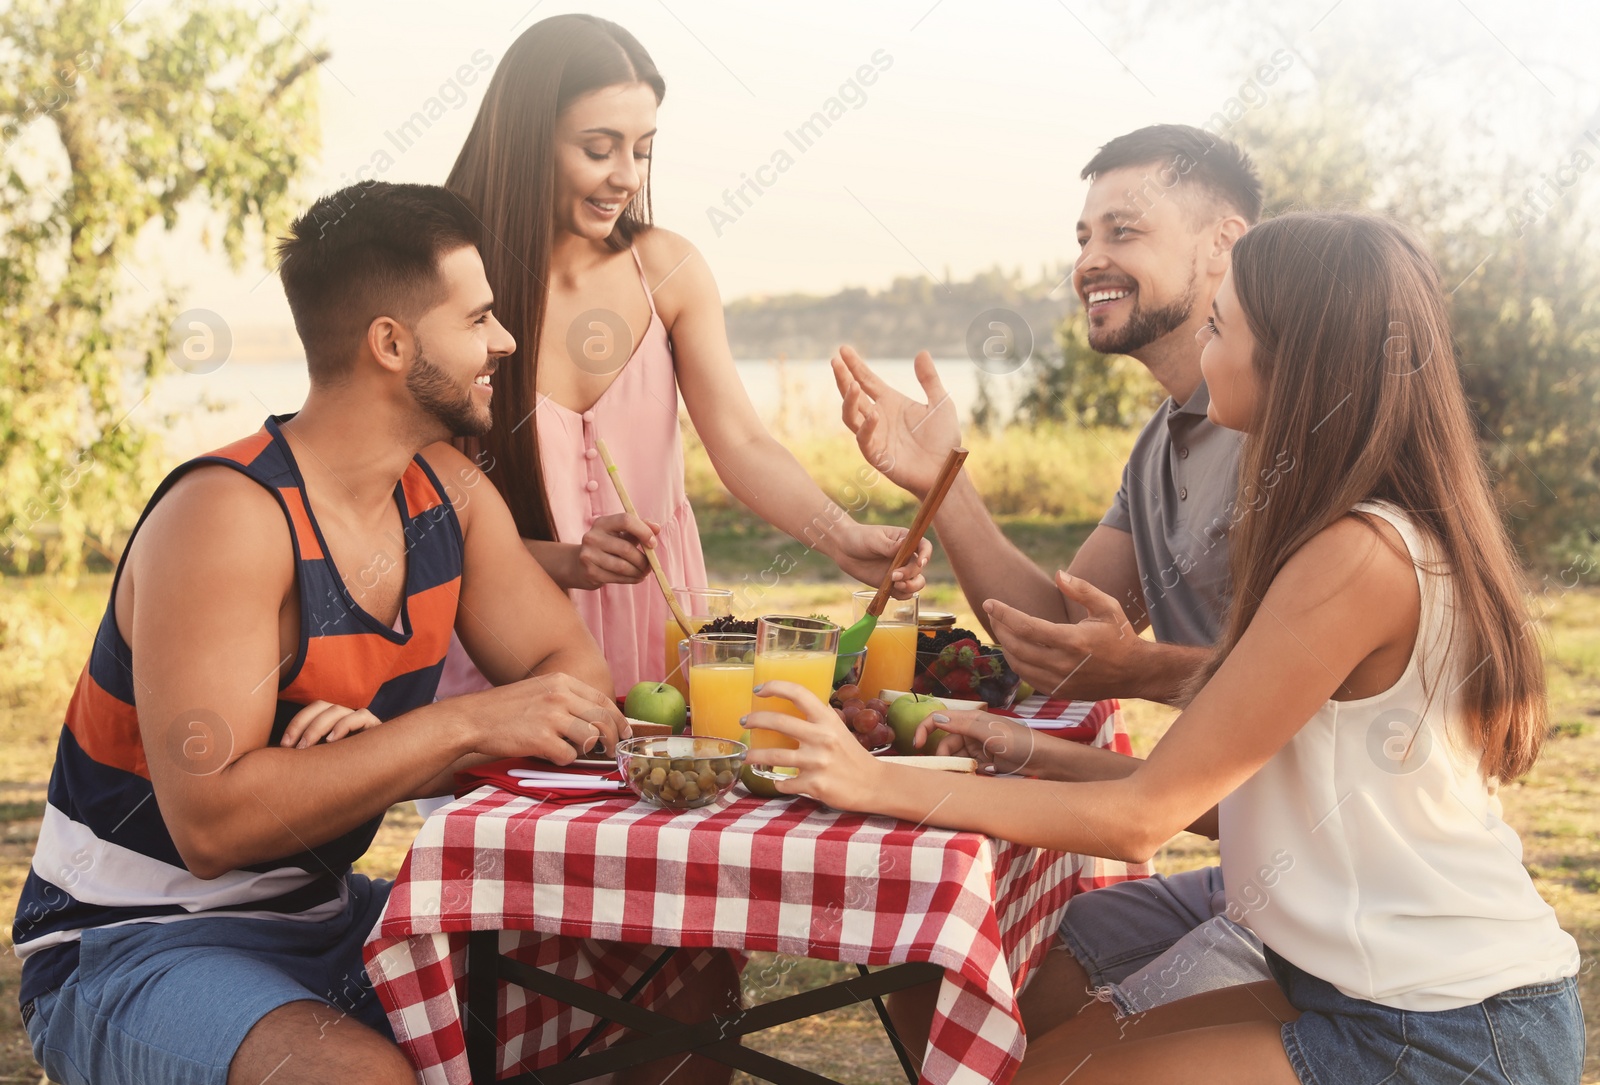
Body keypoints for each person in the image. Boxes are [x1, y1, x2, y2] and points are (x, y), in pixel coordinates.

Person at [747, 211, 1585, 1083]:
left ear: (1294, 362)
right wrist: (1023, 745)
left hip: (1445, 1028)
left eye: (1221, 325)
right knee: (1042, 1062)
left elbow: (1141, 817)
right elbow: (1235, 801)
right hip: (1358, 986)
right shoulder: (1355, 534)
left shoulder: (1357, 556)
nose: (1204, 348)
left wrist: (871, 780)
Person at [11, 182, 736, 1085]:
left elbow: (575, 685)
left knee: (682, 976)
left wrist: (367, 759)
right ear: (390, 344)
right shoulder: (229, 516)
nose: (505, 343)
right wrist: (450, 731)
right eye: (478, 319)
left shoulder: (450, 495)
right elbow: (215, 821)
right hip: (133, 944)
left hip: (327, 918)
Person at [833, 124, 1267, 1046]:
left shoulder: (1289, 437)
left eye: (1123, 232)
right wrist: (947, 479)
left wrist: (1139, 669)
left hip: (1317, 889)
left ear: (1223, 243)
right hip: (1250, 865)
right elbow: (1056, 644)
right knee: (946, 974)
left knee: (1038, 1038)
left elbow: (1307, 678)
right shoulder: (1162, 443)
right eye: (1083, 238)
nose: (1090, 261)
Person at [435, 13, 928, 702]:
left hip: (658, 627)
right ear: (525, 140)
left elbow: (743, 441)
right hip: (508, 639)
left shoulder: (667, 270)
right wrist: (567, 561)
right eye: (598, 148)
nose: (625, 177)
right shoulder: (451, 284)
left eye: (642, 150)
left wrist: (842, 538)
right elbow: (416, 510)